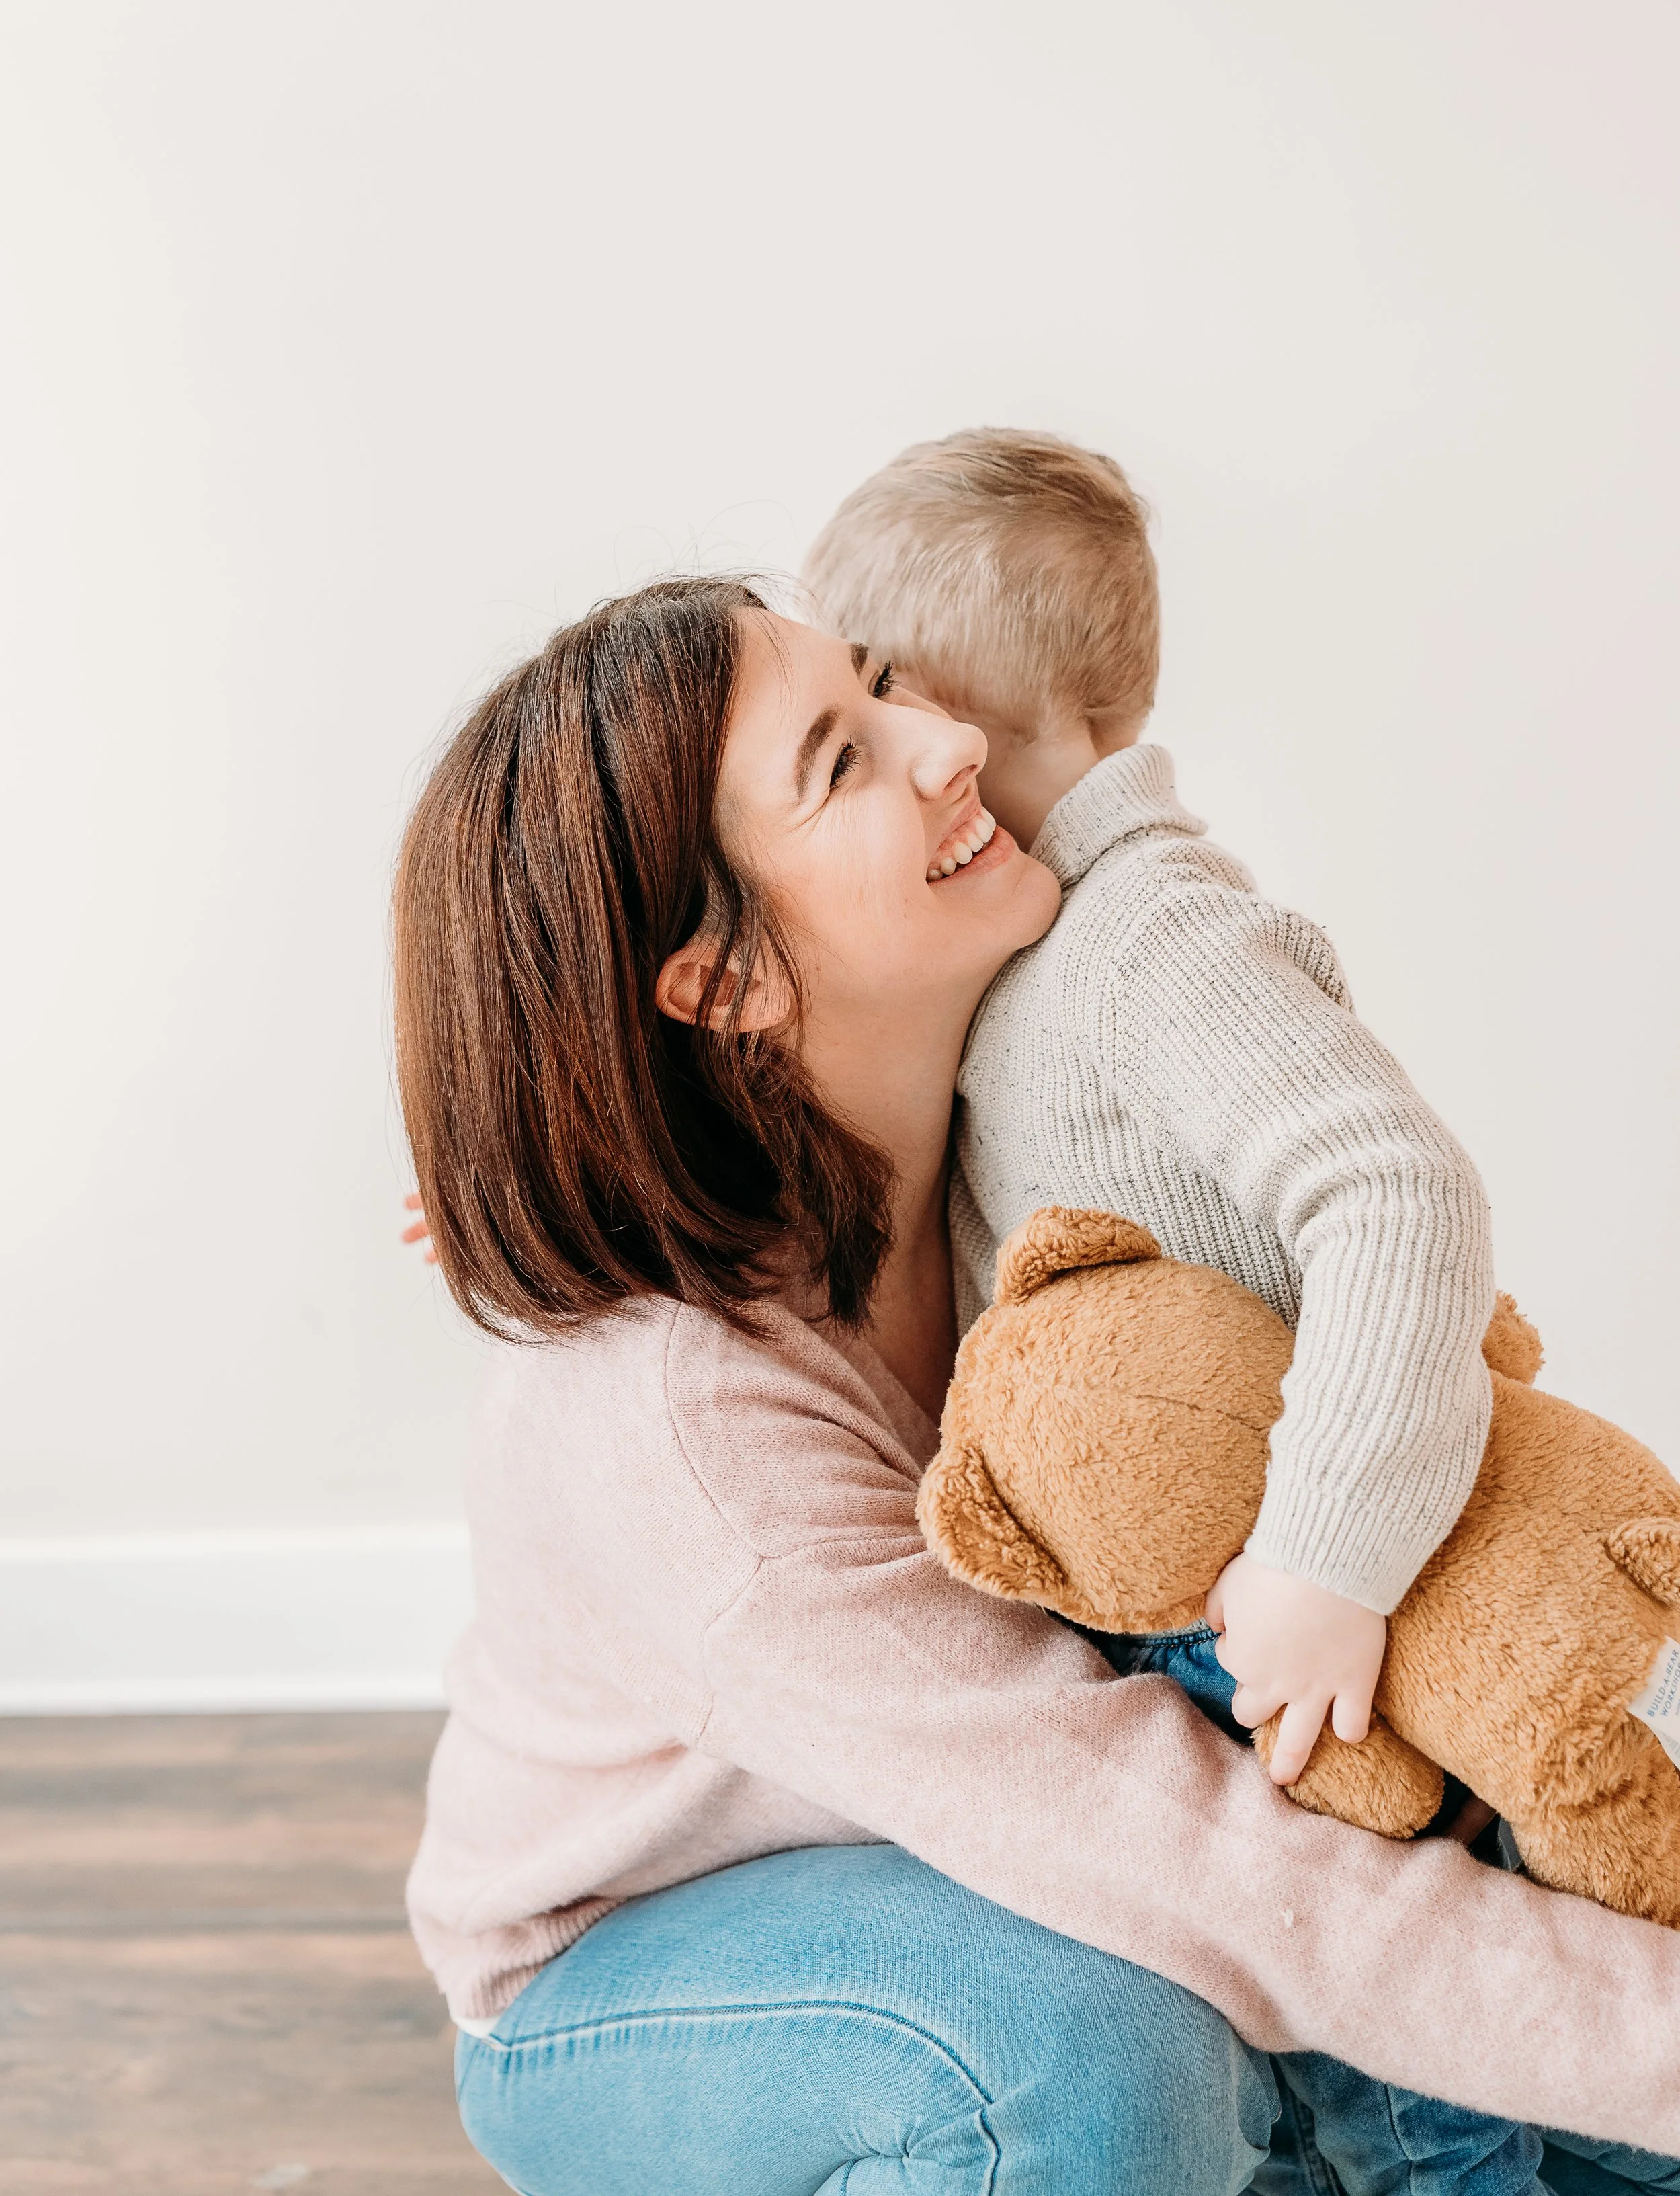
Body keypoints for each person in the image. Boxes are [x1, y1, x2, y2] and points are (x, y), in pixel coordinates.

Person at [394, 574, 1680, 2195]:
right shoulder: (686, 1437)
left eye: (883, 686)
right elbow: (1188, 1852)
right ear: (719, 982)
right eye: (842, 759)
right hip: (624, 1974)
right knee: (1093, 2051)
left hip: (977, 1829)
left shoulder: (1009, 1112)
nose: (946, 740)